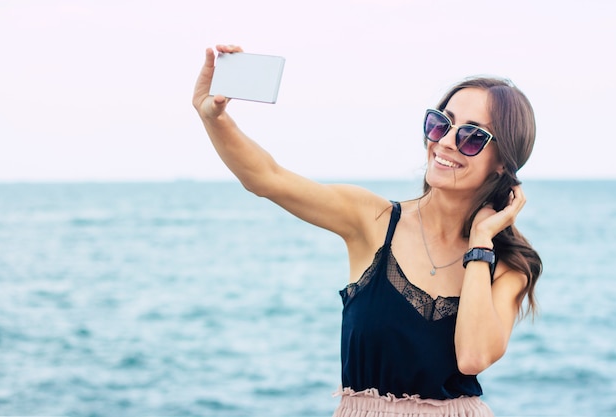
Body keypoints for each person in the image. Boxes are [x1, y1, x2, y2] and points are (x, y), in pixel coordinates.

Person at [193, 44, 542, 417]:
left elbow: (473, 357)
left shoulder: (508, 266)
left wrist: (480, 244)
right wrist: (214, 118)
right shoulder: (372, 220)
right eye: (441, 122)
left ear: (503, 162)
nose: (444, 141)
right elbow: (267, 179)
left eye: (472, 136)